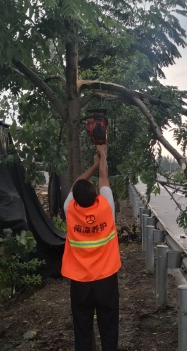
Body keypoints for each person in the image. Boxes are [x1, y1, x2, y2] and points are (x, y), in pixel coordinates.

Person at [61, 144, 121, 351]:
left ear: (75, 199)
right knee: (109, 325)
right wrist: (102, 155)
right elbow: (105, 179)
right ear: (95, 195)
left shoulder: (69, 210)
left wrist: (92, 166)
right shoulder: (106, 207)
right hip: (106, 280)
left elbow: (77, 183)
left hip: (80, 283)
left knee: (82, 328)